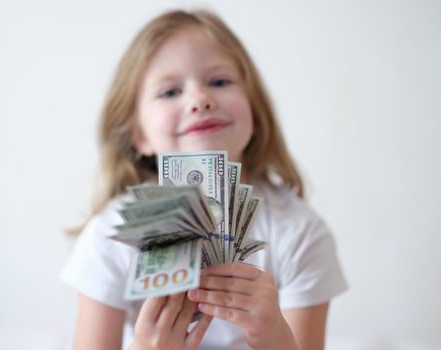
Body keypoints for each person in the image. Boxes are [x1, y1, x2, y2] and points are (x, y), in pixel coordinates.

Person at [61, 9, 347, 350]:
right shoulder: (110, 236)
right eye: (169, 92)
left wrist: (277, 338)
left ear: (255, 115)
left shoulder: (299, 232)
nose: (199, 100)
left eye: (219, 81)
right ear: (139, 135)